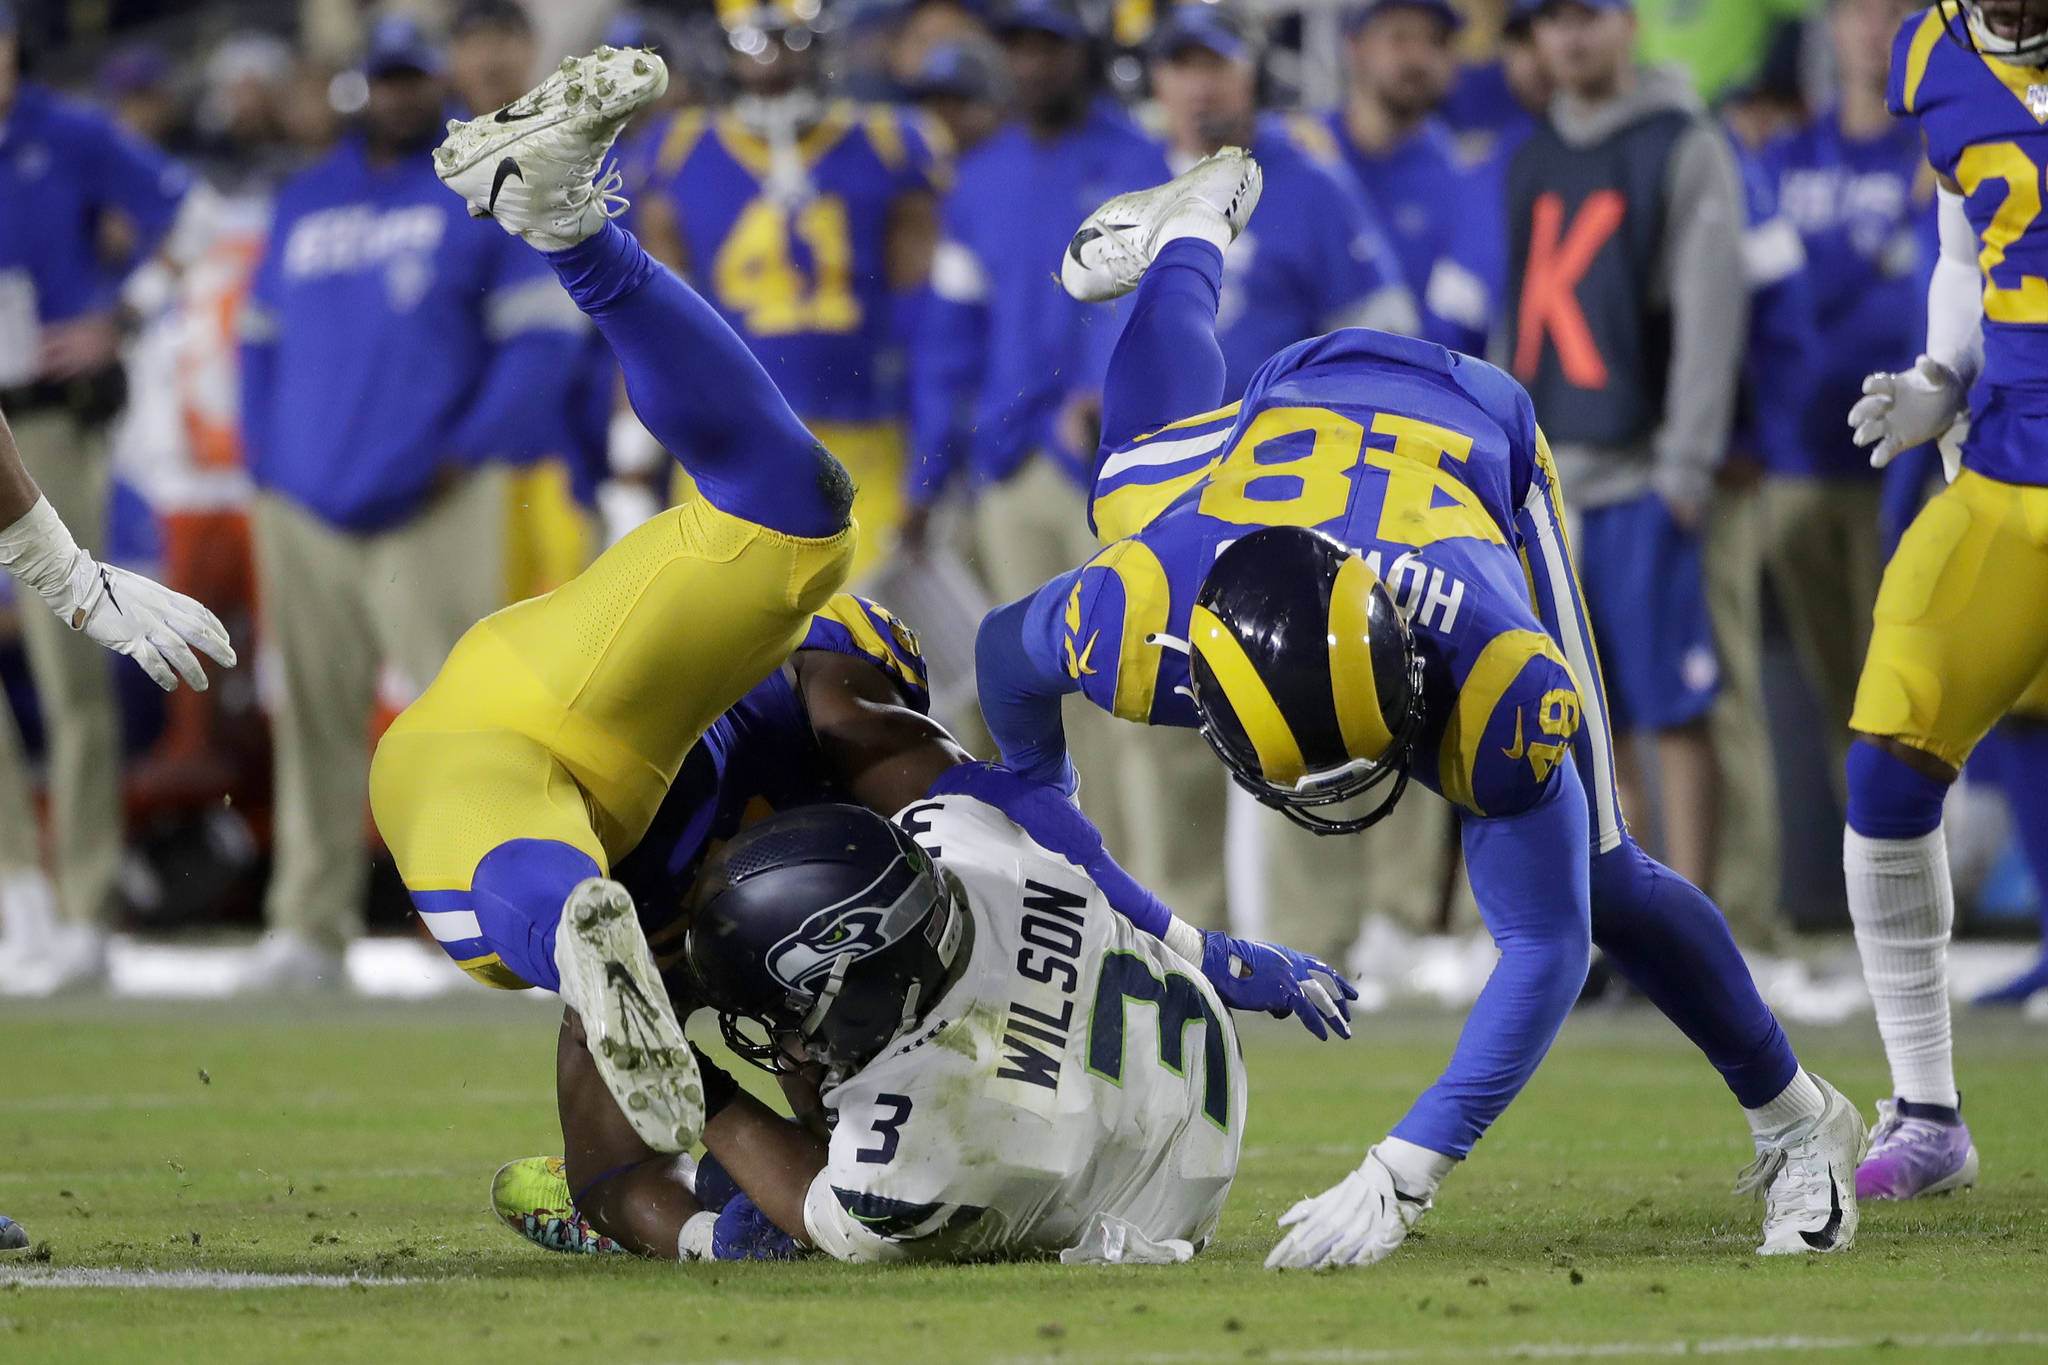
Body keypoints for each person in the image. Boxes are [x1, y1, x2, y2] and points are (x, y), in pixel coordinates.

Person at [374, 48, 1345, 1168]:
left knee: (798, 513)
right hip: (561, 754)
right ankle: (565, 929)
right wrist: (1193, 945)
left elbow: (618, 1170)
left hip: (544, 706)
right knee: (547, 903)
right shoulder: (837, 723)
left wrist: (716, 1225)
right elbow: (998, 803)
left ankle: (572, 232)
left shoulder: (792, 858)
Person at [979, 149, 1865, 1267]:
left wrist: (1407, 1167)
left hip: (1467, 430)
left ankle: (1797, 1123)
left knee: (1595, 873)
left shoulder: (1490, 664)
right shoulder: (1135, 616)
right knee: (1126, 479)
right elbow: (1000, 658)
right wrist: (1043, 796)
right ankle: (1188, 236)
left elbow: (1546, 946)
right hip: (1289, 406)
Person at [236, 17, 588, 990]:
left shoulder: (480, 188)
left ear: (432, 83)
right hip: (303, 506)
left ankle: (477, 926)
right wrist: (265, 465)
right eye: (380, 81)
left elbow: (541, 341)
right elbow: (257, 342)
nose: (395, 97)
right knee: (311, 720)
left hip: (436, 500)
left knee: (459, 728)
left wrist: (469, 453)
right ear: (360, 88)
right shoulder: (306, 198)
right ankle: (306, 926)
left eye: (408, 80)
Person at [1149, 0, 1426, 958]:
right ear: (1156, 82)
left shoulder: (1305, 183)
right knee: (1151, 713)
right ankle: (1179, 934)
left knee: (1307, 695)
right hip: (1162, 494)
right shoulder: (1130, 179)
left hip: (1285, 489)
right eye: (1180, 65)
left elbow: (1386, 329)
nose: (1200, 84)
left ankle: (1332, 935)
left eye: (1216, 64)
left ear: (1251, 76)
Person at [681, 796, 1244, 1264]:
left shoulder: (917, 1153)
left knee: (736, 1219)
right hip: (1188, 1059)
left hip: (1160, 1205)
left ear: (860, 986)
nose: (785, 1037)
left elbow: (811, 1196)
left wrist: (694, 1087)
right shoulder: (954, 828)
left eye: (788, 1017)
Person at [1836, 0, 2048, 1201]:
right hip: (2010, 467)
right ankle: (1926, 1112)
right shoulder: (1931, 53)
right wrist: (1937, 374)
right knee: (1885, 760)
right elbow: (1964, 246)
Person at [906, 0, 1169, 868]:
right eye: (1017, 46)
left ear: (1083, 50)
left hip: (1109, 462)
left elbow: (1149, 305)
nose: (1031, 64)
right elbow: (951, 335)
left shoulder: (1139, 157)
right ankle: (1080, 882)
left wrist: (1104, 394)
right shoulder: (981, 179)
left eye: (1048, 45)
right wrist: (927, 471)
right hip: (1008, 469)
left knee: (1125, 686)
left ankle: (1153, 889)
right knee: (1032, 699)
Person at [1504, 0, 1749, 899]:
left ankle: (1701, 919)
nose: (1569, 36)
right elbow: (1512, 318)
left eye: (1589, 14)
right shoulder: (1530, 155)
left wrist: (1687, 462)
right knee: (1580, 725)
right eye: (1551, 19)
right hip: (1548, 488)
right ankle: (1625, 923)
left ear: (1629, 23)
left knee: (1673, 713)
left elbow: (1711, 310)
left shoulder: (1681, 141)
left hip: (1644, 469)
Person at [0, 0, 208, 991]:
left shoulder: (69, 131)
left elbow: (194, 215)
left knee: (68, 663)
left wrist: (121, 317)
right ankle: (16, 896)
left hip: (43, 419)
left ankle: (84, 902)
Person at [627, 0, 944, 585]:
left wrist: (933, 440)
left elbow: (923, 314)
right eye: (755, 45)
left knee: (859, 637)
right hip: (728, 437)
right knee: (733, 641)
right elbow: (656, 319)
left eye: (788, 43)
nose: (771, 62)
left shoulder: (889, 140)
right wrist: (633, 446)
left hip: (863, 431)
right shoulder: (675, 147)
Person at [1756, 0, 1924, 804]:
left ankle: (1933, 867)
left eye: (1895, 11)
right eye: (1859, 11)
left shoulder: (1949, 148)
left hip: (1912, 458)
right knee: (1840, 693)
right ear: (1833, 26)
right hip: (1798, 454)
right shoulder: (1785, 154)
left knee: (1910, 690)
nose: (1875, 28)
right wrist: (1872, 251)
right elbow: (1789, 294)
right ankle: (1870, 880)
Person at [1330, 0, 1495, 356]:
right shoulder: (1298, 152)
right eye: (1399, 38)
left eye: (1436, 42)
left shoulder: (1464, 180)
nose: (1418, 58)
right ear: (1354, 46)